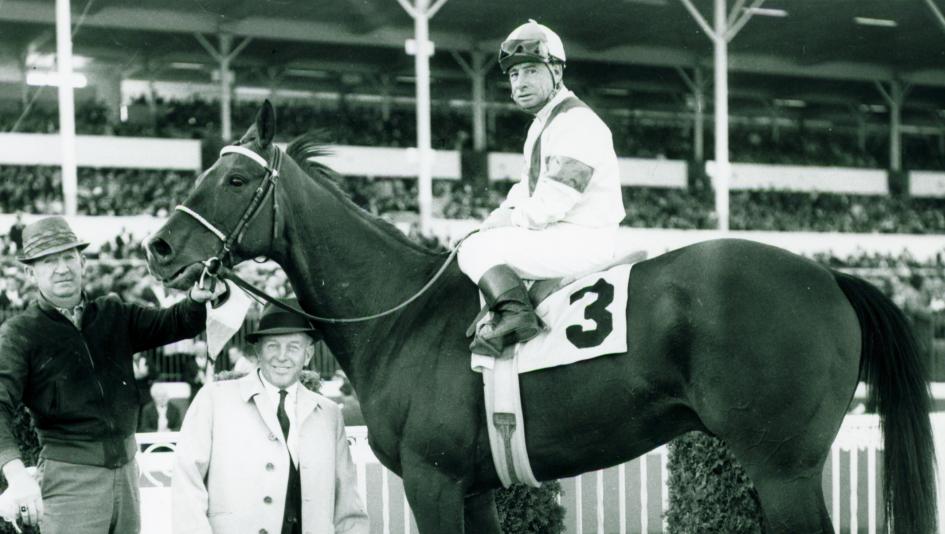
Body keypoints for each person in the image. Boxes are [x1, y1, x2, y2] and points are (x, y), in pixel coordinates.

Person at [0, 215, 223, 534]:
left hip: (128, 471)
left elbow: (174, 323)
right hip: (70, 479)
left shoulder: (112, 312)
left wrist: (196, 301)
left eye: (68, 257)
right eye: (49, 261)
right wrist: (17, 474)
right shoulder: (20, 333)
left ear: (83, 262)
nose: (62, 268)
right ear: (29, 272)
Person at [457, 19, 625, 357]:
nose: (520, 83)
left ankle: (516, 316)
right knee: (477, 239)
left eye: (531, 71)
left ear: (557, 73)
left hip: (583, 240)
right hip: (564, 234)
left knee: (473, 251)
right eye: (514, 75)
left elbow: (552, 203)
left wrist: (504, 225)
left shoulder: (577, 122)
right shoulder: (545, 123)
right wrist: (495, 218)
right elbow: (526, 189)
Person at [173, 298, 369, 534]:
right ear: (258, 351)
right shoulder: (214, 399)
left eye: (293, 347)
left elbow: (348, 506)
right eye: (272, 346)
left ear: (308, 355)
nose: (282, 356)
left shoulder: (328, 414)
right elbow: (187, 481)